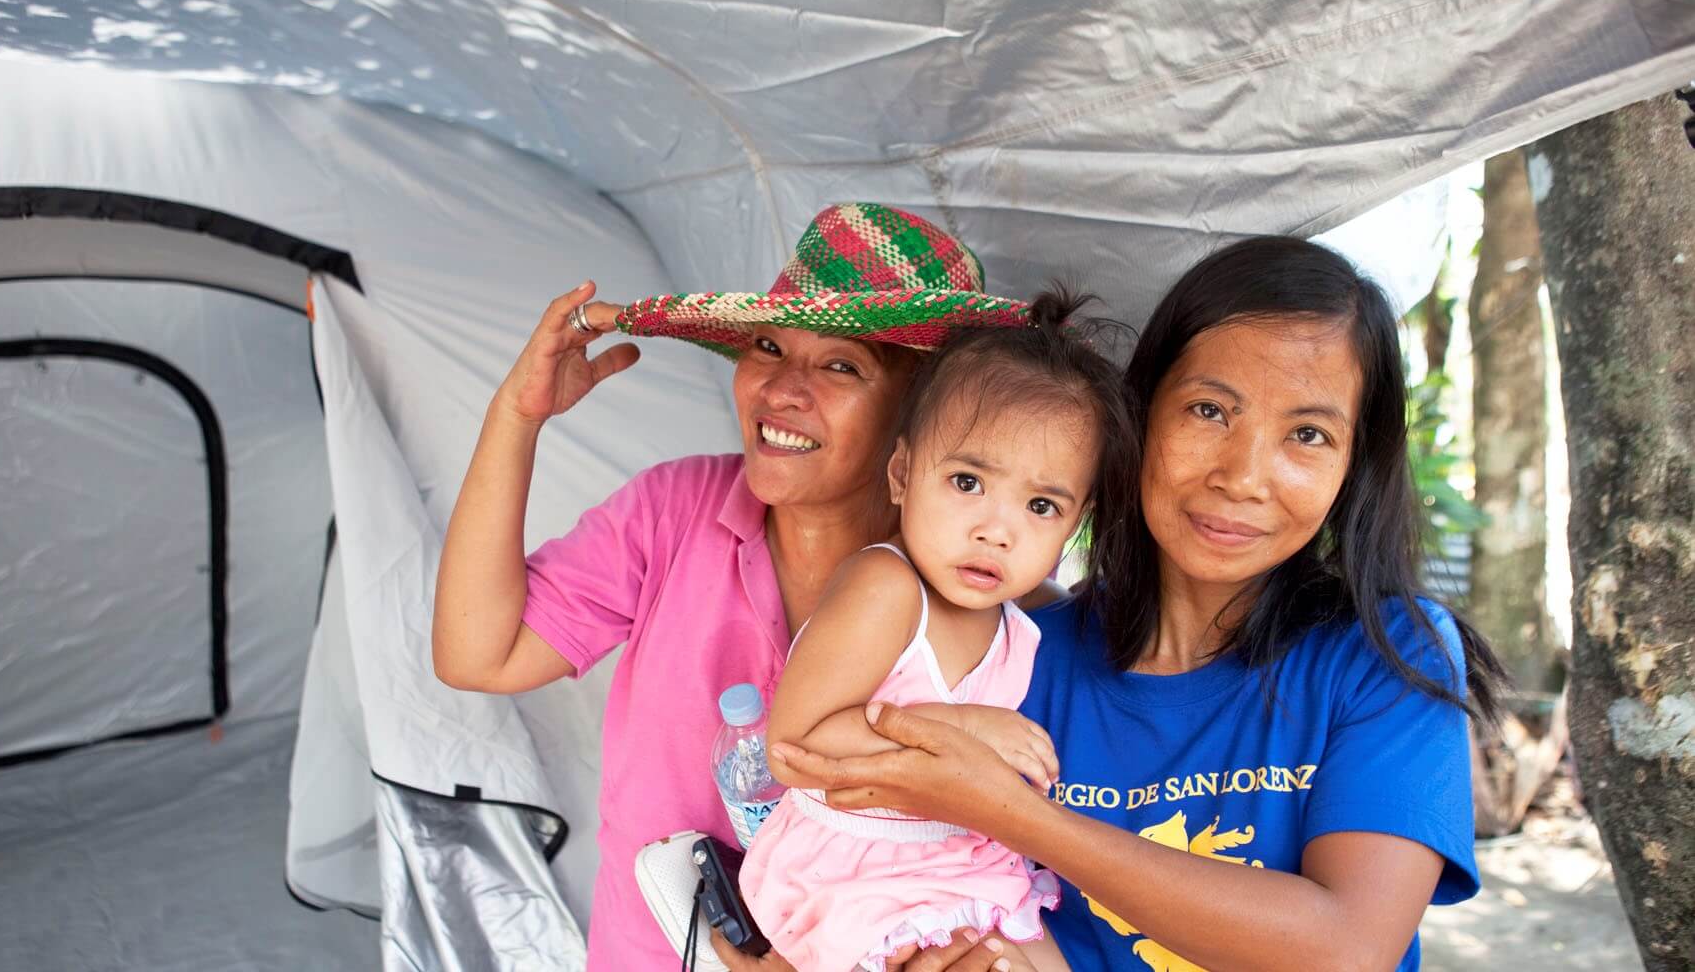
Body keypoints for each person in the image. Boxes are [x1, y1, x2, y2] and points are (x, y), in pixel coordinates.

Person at [769, 236, 1507, 972]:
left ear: (1353, 466)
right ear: (1139, 418)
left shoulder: (1387, 657)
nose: (1244, 477)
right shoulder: (1020, 655)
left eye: (1308, 434)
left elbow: (1347, 951)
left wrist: (1017, 814)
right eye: (1210, 410)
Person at [431, 203, 1034, 971]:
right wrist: (516, 418)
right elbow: (479, 655)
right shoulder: (672, 513)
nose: (781, 389)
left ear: (921, 415)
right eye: (768, 347)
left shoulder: (976, 599)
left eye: (842, 364)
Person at [741, 291, 1138, 972]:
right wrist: (967, 730)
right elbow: (795, 745)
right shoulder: (886, 588)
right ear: (901, 474)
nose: (996, 528)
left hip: (954, 857)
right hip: (853, 870)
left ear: (1074, 526)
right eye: (966, 482)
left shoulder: (1019, 629)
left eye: (1041, 505)